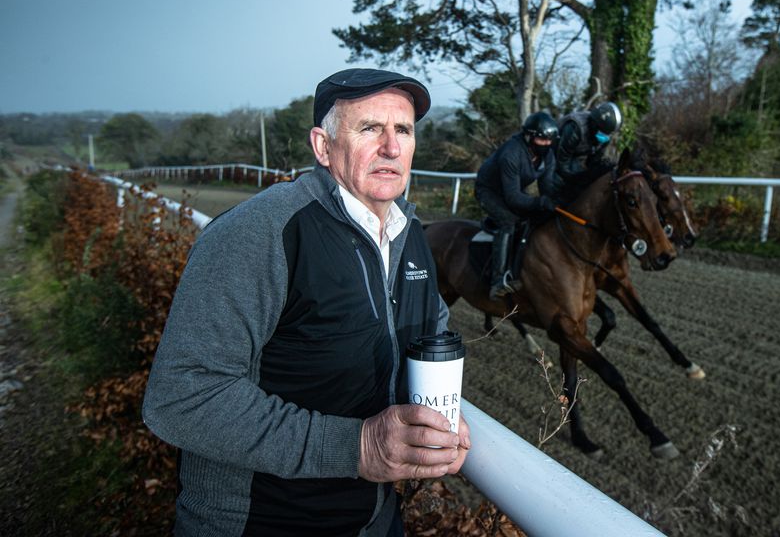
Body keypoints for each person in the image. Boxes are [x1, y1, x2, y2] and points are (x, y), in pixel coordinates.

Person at [142, 68, 470, 537]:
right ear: (322, 147)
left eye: (403, 130)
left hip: (375, 520)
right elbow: (181, 396)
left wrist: (442, 415)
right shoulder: (260, 233)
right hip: (263, 523)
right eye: (370, 128)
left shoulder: (411, 234)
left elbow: (432, 338)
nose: (392, 148)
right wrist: (356, 447)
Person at [474, 111, 559, 299]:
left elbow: (547, 186)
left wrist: (554, 202)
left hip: (513, 190)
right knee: (508, 221)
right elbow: (513, 199)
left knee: (535, 218)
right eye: (542, 140)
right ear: (529, 136)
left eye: (549, 141)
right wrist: (539, 202)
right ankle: (497, 281)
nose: (546, 144)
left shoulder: (548, 155)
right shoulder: (511, 153)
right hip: (489, 191)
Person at [554, 101, 623, 204]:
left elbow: (593, 162)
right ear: (595, 124)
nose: (604, 137)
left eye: (607, 134)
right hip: (554, 155)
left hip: (575, 157)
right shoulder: (576, 128)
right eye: (602, 132)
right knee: (557, 188)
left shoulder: (604, 138)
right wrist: (575, 181)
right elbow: (562, 160)